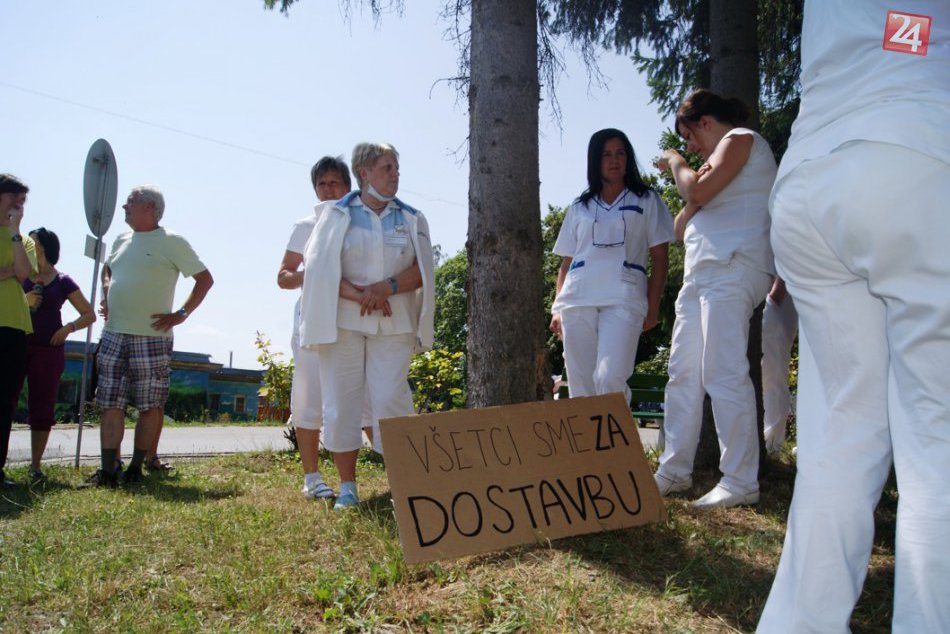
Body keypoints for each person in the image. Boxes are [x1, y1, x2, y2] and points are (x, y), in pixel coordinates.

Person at [757, 3, 949, 631]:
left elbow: (894, 33)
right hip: (917, 152)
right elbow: (913, 36)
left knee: (838, 446)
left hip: (810, 180)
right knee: (938, 442)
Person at [654, 89, 777, 509]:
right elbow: (678, 225)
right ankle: (673, 471)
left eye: (689, 138)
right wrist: (694, 183)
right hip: (701, 274)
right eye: (685, 145)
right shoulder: (715, 165)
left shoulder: (740, 139)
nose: (690, 147)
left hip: (734, 264)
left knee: (722, 371)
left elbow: (698, 194)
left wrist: (678, 165)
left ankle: (740, 480)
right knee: (683, 373)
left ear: (705, 122)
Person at [299, 142, 434, 509]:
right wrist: (361, 296)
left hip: (394, 322)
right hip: (343, 321)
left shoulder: (411, 217)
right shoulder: (336, 215)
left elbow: (423, 270)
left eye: (396, 168)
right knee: (342, 401)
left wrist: (385, 288)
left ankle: (404, 481)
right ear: (364, 173)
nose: (395, 175)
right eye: (387, 168)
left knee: (391, 397)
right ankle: (347, 486)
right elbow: (320, 268)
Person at [91, 185, 213, 486]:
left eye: (130, 203)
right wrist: (107, 292)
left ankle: (136, 468)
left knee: (149, 405)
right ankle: (108, 470)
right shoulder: (121, 239)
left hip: (151, 337)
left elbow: (204, 280)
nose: (123, 207)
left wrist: (181, 314)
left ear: (150, 208)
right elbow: (108, 270)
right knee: (110, 403)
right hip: (113, 333)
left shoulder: (172, 242)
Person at [549, 128, 673, 403]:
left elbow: (660, 258)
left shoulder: (647, 199)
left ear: (627, 158)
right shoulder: (579, 206)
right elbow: (566, 262)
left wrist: (652, 308)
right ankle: (589, 446)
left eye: (620, 153)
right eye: (606, 154)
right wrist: (557, 308)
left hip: (624, 299)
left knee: (609, 378)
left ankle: (618, 444)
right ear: (595, 160)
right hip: (577, 300)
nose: (614, 160)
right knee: (581, 386)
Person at [278, 155, 374, 500]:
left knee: (363, 397)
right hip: (313, 320)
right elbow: (284, 276)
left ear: (349, 187)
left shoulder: (363, 224)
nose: (328, 189)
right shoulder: (306, 225)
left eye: (335, 182)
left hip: (355, 321)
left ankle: (397, 470)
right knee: (309, 398)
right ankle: (312, 478)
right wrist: (317, 275)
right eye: (322, 184)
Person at [15, 228, 96, 482]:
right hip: (16, 345)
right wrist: (23, 299)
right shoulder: (19, 274)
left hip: (48, 350)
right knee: (5, 403)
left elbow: (89, 314)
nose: (28, 244)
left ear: (45, 247)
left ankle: (35, 467)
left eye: (33, 241)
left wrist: (68, 329)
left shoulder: (63, 281)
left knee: (42, 407)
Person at [0, 174, 37, 487]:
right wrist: (8, 272)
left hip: (14, 328)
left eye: (22, 201)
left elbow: (24, 275)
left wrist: (13, 231)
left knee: (6, 401)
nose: (18, 205)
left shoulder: (23, 240)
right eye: (13, 198)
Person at [761, 277, 796, 454]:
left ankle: (773, 444)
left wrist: (776, 293)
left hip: (777, 295)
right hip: (764, 294)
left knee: (771, 373)